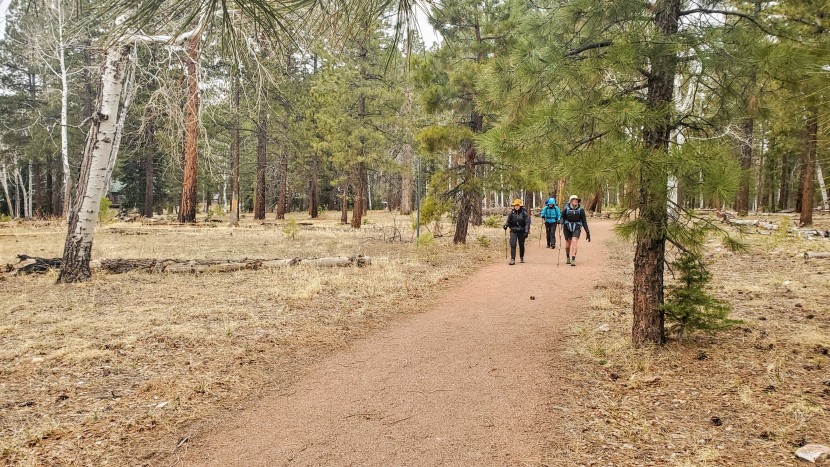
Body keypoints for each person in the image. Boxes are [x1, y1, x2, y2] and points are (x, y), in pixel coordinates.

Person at [560, 194, 590, 266]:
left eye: (577, 200)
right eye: (574, 199)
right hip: (567, 227)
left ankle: (573, 259)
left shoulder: (581, 210)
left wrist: (587, 232)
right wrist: (561, 221)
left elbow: (584, 221)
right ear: (570, 201)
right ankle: (568, 257)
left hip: (577, 227)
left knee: (574, 241)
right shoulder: (566, 209)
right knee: (568, 245)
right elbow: (562, 217)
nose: (576, 201)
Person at [503, 198, 531, 265]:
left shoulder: (524, 213)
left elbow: (527, 223)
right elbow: (508, 222)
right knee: (513, 244)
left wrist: (526, 232)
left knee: (521, 244)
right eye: (515, 205)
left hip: (522, 231)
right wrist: (505, 225)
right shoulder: (511, 213)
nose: (517, 206)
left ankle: (521, 257)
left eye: (518, 205)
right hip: (513, 230)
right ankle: (512, 259)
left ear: (520, 206)